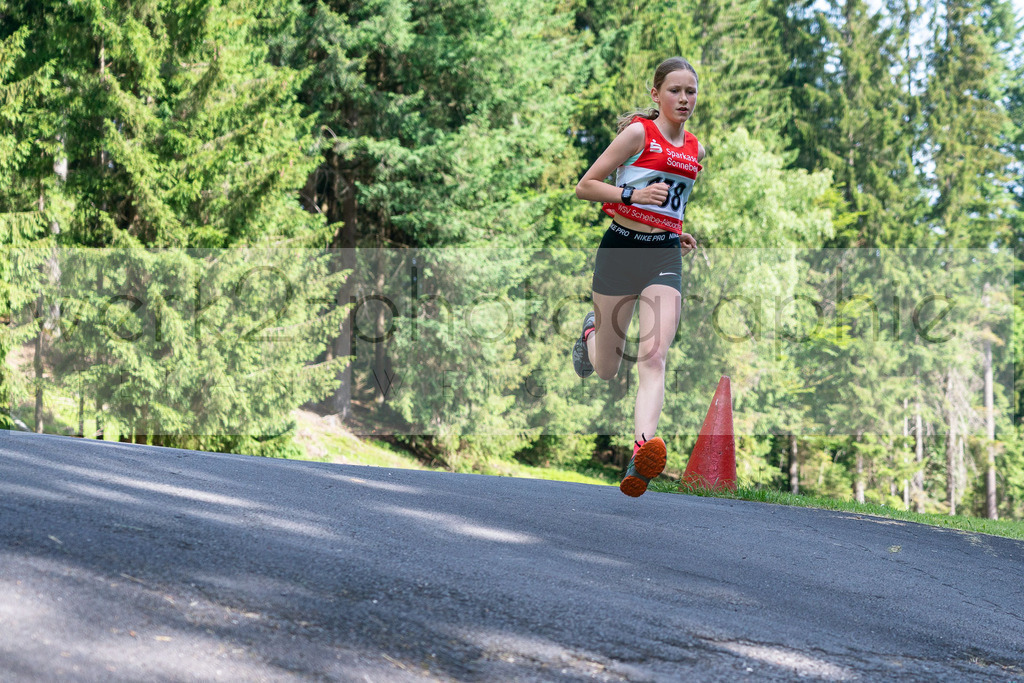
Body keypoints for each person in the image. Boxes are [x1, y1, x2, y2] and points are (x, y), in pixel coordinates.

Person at [572, 57, 705, 498]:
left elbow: (671, 200)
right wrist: (631, 192)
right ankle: (591, 333)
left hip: (663, 257)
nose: (684, 99)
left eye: (691, 92)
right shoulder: (637, 134)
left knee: (654, 356)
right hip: (620, 251)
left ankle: (641, 453)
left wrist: (673, 227)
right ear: (656, 94)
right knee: (607, 369)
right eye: (675, 91)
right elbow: (586, 186)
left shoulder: (695, 149)